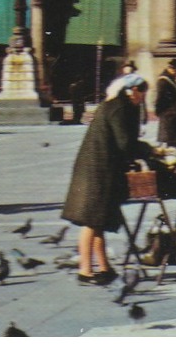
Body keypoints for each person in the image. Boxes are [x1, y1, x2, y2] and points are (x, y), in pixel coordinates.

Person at [62, 73, 150, 285]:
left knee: (98, 220)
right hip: (97, 171)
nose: (142, 99)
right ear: (132, 90)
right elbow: (124, 143)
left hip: (97, 168)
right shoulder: (118, 108)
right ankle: (85, 271)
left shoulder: (113, 105)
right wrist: (149, 150)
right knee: (91, 221)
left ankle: (104, 268)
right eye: (141, 94)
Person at [153, 59, 176, 148]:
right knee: (171, 146)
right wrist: (160, 112)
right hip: (169, 117)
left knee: (174, 144)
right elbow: (160, 98)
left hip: (172, 116)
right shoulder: (164, 80)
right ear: (173, 69)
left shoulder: (170, 79)